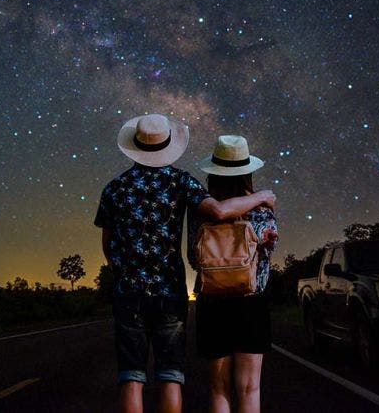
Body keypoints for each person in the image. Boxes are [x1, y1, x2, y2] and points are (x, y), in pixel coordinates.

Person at [94, 114, 275, 413]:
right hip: (171, 291)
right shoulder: (180, 181)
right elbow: (219, 212)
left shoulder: (114, 189)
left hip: (131, 291)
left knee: (131, 376)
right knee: (170, 375)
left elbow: (108, 244)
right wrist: (262, 196)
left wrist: (122, 273)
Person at [188, 135, 279, 413]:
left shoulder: (200, 209)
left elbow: (194, 259)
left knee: (219, 389)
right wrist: (262, 196)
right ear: (247, 171)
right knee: (249, 388)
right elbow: (267, 254)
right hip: (251, 302)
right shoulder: (263, 209)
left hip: (212, 303)